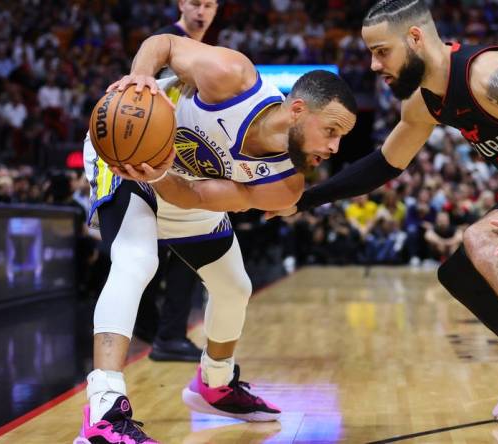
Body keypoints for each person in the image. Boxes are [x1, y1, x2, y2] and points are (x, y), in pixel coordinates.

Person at [269, 1, 498, 442]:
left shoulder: (489, 76)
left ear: (415, 38)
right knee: (462, 274)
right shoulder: (424, 101)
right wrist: (306, 201)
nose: (373, 64)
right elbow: (386, 163)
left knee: (483, 240)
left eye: (382, 51)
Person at [79, 35, 357, 443]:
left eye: (340, 138)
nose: (333, 147)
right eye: (330, 131)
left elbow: (195, 196)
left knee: (233, 286)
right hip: (124, 153)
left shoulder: (287, 184)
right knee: (136, 260)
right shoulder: (231, 78)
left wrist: (158, 174)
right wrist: (139, 80)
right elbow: (165, 44)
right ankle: (102, 414)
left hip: (176, 182)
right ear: (297, 111)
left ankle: (214, 385)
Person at [134, 0, 221, 362]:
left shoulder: (204, 50)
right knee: (179, 252)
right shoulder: (168, 43)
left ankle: (161, 332)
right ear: (181, 4)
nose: (202, 11)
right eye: (195, 2)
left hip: (181, 160)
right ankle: (164, 333)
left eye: (209, 4)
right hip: (155, 157)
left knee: (172, 255)